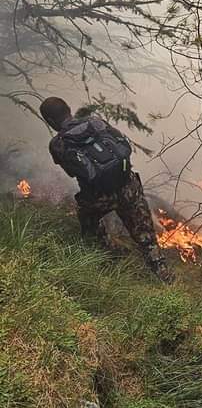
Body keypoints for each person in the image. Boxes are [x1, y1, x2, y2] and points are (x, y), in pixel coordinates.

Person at [39, 97, 171, 282]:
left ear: (50, 121)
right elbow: (123, 146)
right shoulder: (95, 122)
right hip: (128, 186)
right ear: (70, 108)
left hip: (98, 197)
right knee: (147, 238)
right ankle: (164, 276)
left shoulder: (57, 144)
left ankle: (106, 255)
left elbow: (71, 172)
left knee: (88, 221)